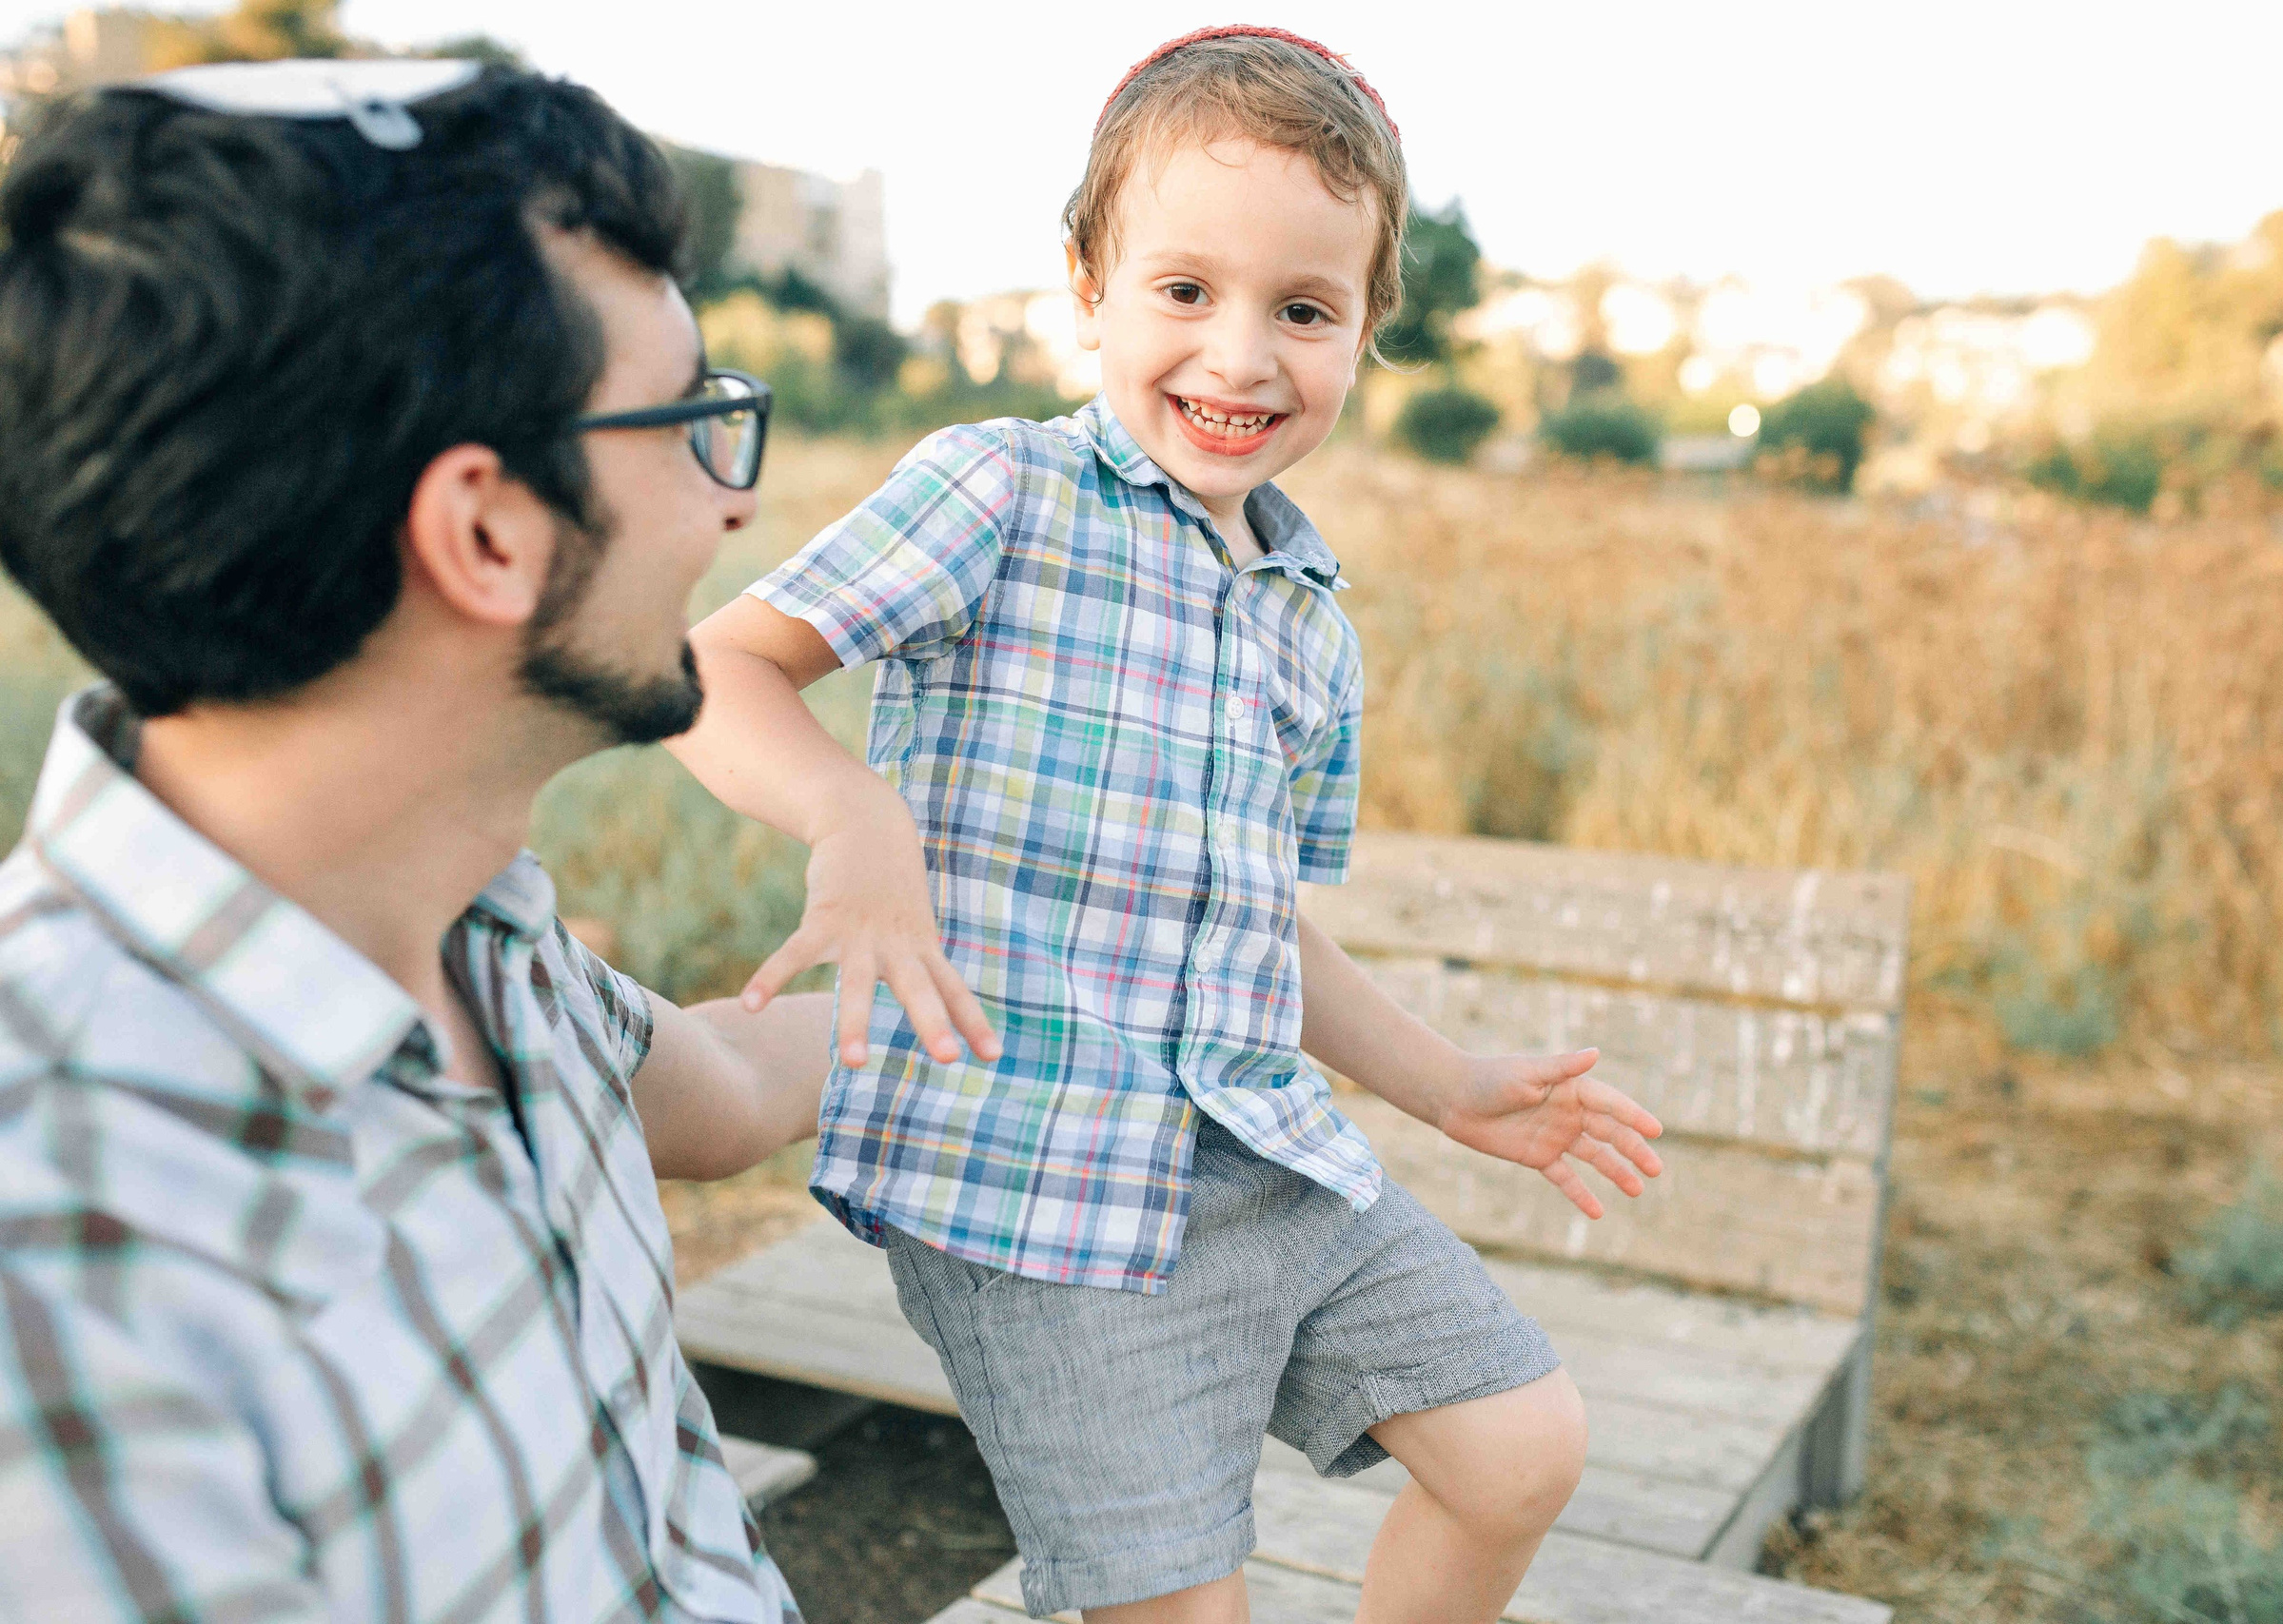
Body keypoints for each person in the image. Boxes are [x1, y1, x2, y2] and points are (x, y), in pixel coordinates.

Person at [669, 29, 1666, 1623]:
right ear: (1089, 284)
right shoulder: (996, 492)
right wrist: (851, 812)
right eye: (1185, 291)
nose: (1241, 356)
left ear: (1365, 332)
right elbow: (722, 670)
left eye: (1304, 310)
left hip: (1261, 1153)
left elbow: (1260, 922)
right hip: (1036, 1184)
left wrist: (1448, 1084)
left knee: (1521, 1449)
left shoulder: (1308, 621)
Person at [0, 59, 830, 1622]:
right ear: (484, 533)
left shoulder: (473, 941)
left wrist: (1026, 970)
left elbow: (731, 1085)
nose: (733, 508)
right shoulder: (61, 1246)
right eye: (690, 422)